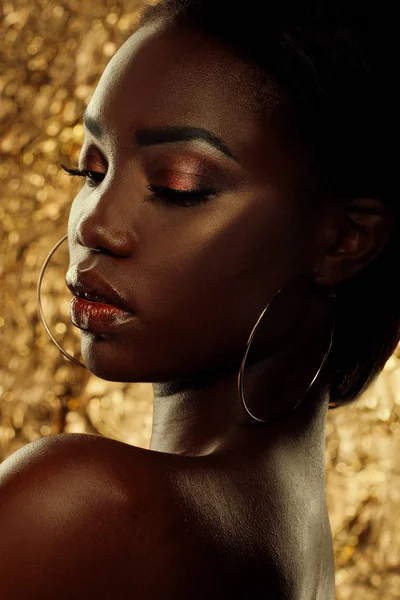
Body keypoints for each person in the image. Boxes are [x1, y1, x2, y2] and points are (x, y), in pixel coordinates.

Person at [0, 1, 398, 598]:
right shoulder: (296, 545)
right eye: (90, 170)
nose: (94, 224)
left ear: (344, 239)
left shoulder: (90, 511)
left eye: (176, 185)